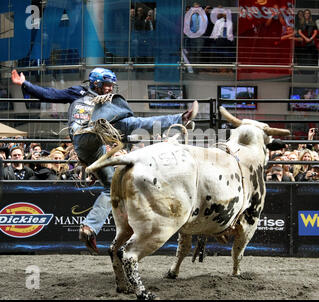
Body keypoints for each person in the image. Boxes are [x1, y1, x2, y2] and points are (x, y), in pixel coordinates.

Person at [12, 67, 197, 254]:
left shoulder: (107, 102)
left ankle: (89, 228)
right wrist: (24, 84)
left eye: (111, 86)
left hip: (93, 148)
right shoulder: (79, 92)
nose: (110, 89)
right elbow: (49, 94)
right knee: (123, 123)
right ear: (96, 83)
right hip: (84, 135)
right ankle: (167, 119)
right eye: (107, 85)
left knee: (111, 188)